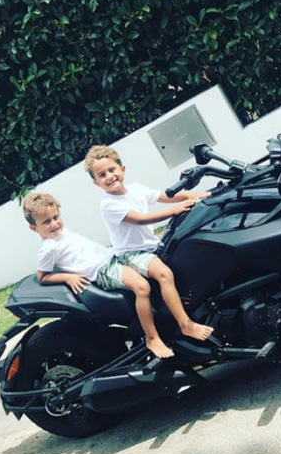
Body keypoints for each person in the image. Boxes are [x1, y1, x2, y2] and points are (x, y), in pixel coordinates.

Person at [83, 144, 213, 359]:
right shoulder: (108, 204)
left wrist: (197, 195)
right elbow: (141, 219)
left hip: (153, 246)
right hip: (131, 254)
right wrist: (175, 210)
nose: (109, 177)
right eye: (102, 175)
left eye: (112, 170)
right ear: (96, 183)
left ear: (122, 169)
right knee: (164, 274)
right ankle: (185, 324)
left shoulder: (136, 188)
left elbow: (164, 196)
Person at [23, 191, 188, 358]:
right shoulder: (48, 248)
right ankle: (152, 338)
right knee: (142, 287)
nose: (54, 224)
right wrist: (68, 277)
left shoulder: (62, 233)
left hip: (113, 256)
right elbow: (42, 276)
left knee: (163, 264)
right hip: (103, 270)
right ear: (34, 228)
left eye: (56, 217)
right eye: (46, 222)